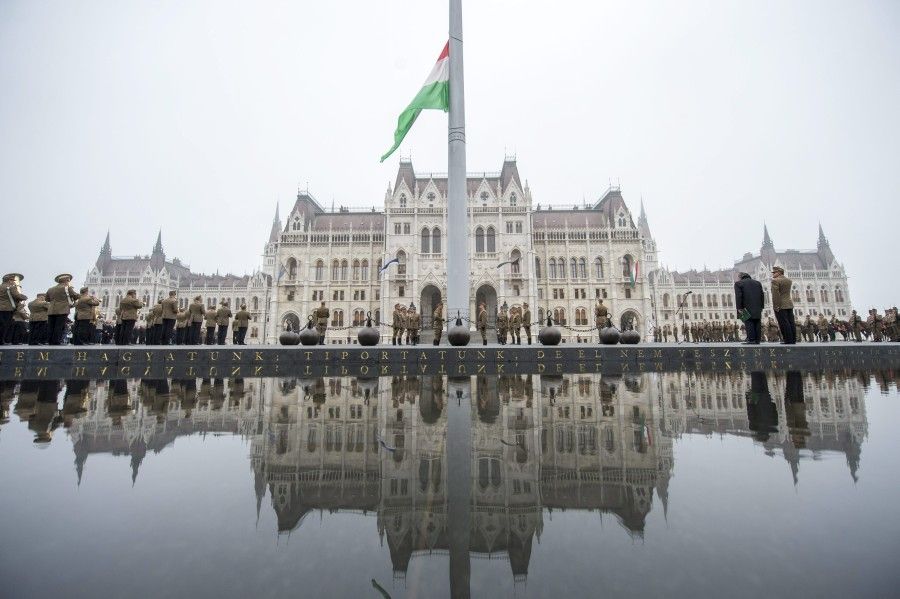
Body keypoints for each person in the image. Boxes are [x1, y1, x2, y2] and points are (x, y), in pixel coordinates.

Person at [734, 272, 764, 344]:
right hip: (758, 306)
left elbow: (738, 297)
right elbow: (762, 295)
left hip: (745, 306)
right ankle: (757, 340)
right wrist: (762, 306)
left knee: (748, 322)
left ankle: (751, 339)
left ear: (741, 277)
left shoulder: (738, 283)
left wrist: (739, 308)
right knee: (757, 322)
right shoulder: (758, 283)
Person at [770, 266, 796, 344]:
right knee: (791, 322)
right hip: (789, 304)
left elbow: (775, 295)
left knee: (783, 323)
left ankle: (787, 340)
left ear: (779, 272)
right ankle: (793, 339)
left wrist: (776, 306)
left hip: (780, 305)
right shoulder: (789, 280)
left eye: (774, 273)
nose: (773, 274)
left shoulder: (775, 281)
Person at [0, 273, 28, 346]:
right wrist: (24, 297)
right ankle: (2, 340)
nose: (13, 282)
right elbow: (17, 295)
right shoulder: (11, 287)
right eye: (13, 280)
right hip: (7, 309)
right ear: (9, 280)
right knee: (6, 325)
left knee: (1, 324)